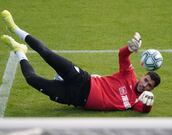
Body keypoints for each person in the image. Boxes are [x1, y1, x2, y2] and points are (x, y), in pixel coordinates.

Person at [0, 10, 161, 113]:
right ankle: (14, 28)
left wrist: (148, 105)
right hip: (83, 80)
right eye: (146, 80)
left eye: (149, 86)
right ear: (143, 76)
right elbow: (122, 56)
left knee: (32, 80)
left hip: (73, 98)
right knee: (47, 53)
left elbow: (143, 109)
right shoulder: (129, 75)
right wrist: (129, 48)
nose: (144, 84)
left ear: (151, 90)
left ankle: (20, 51)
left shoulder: (135, 102)